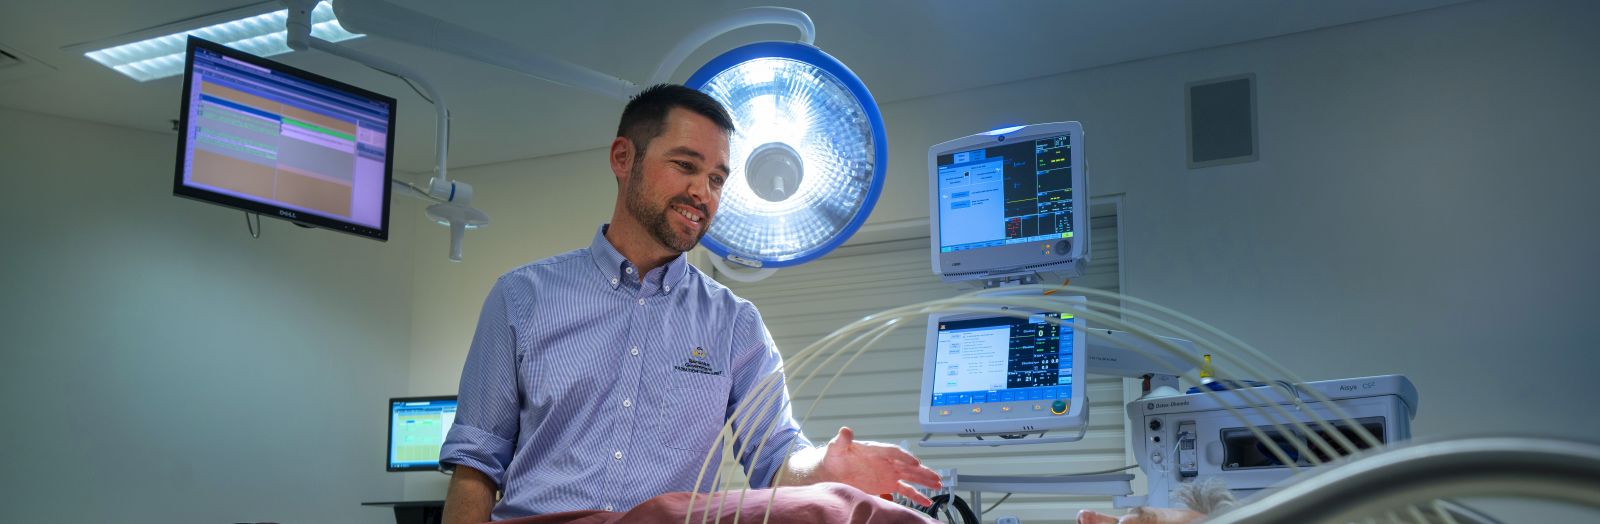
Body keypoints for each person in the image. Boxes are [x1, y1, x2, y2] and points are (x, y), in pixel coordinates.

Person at [438, 84, 941, 523]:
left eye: (718, 179)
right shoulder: (522, 297)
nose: (702, 192)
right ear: (622, 158)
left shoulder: (735, 324)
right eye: (685, 165)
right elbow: (476, 465)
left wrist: (825, 469)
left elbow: (776, 458)